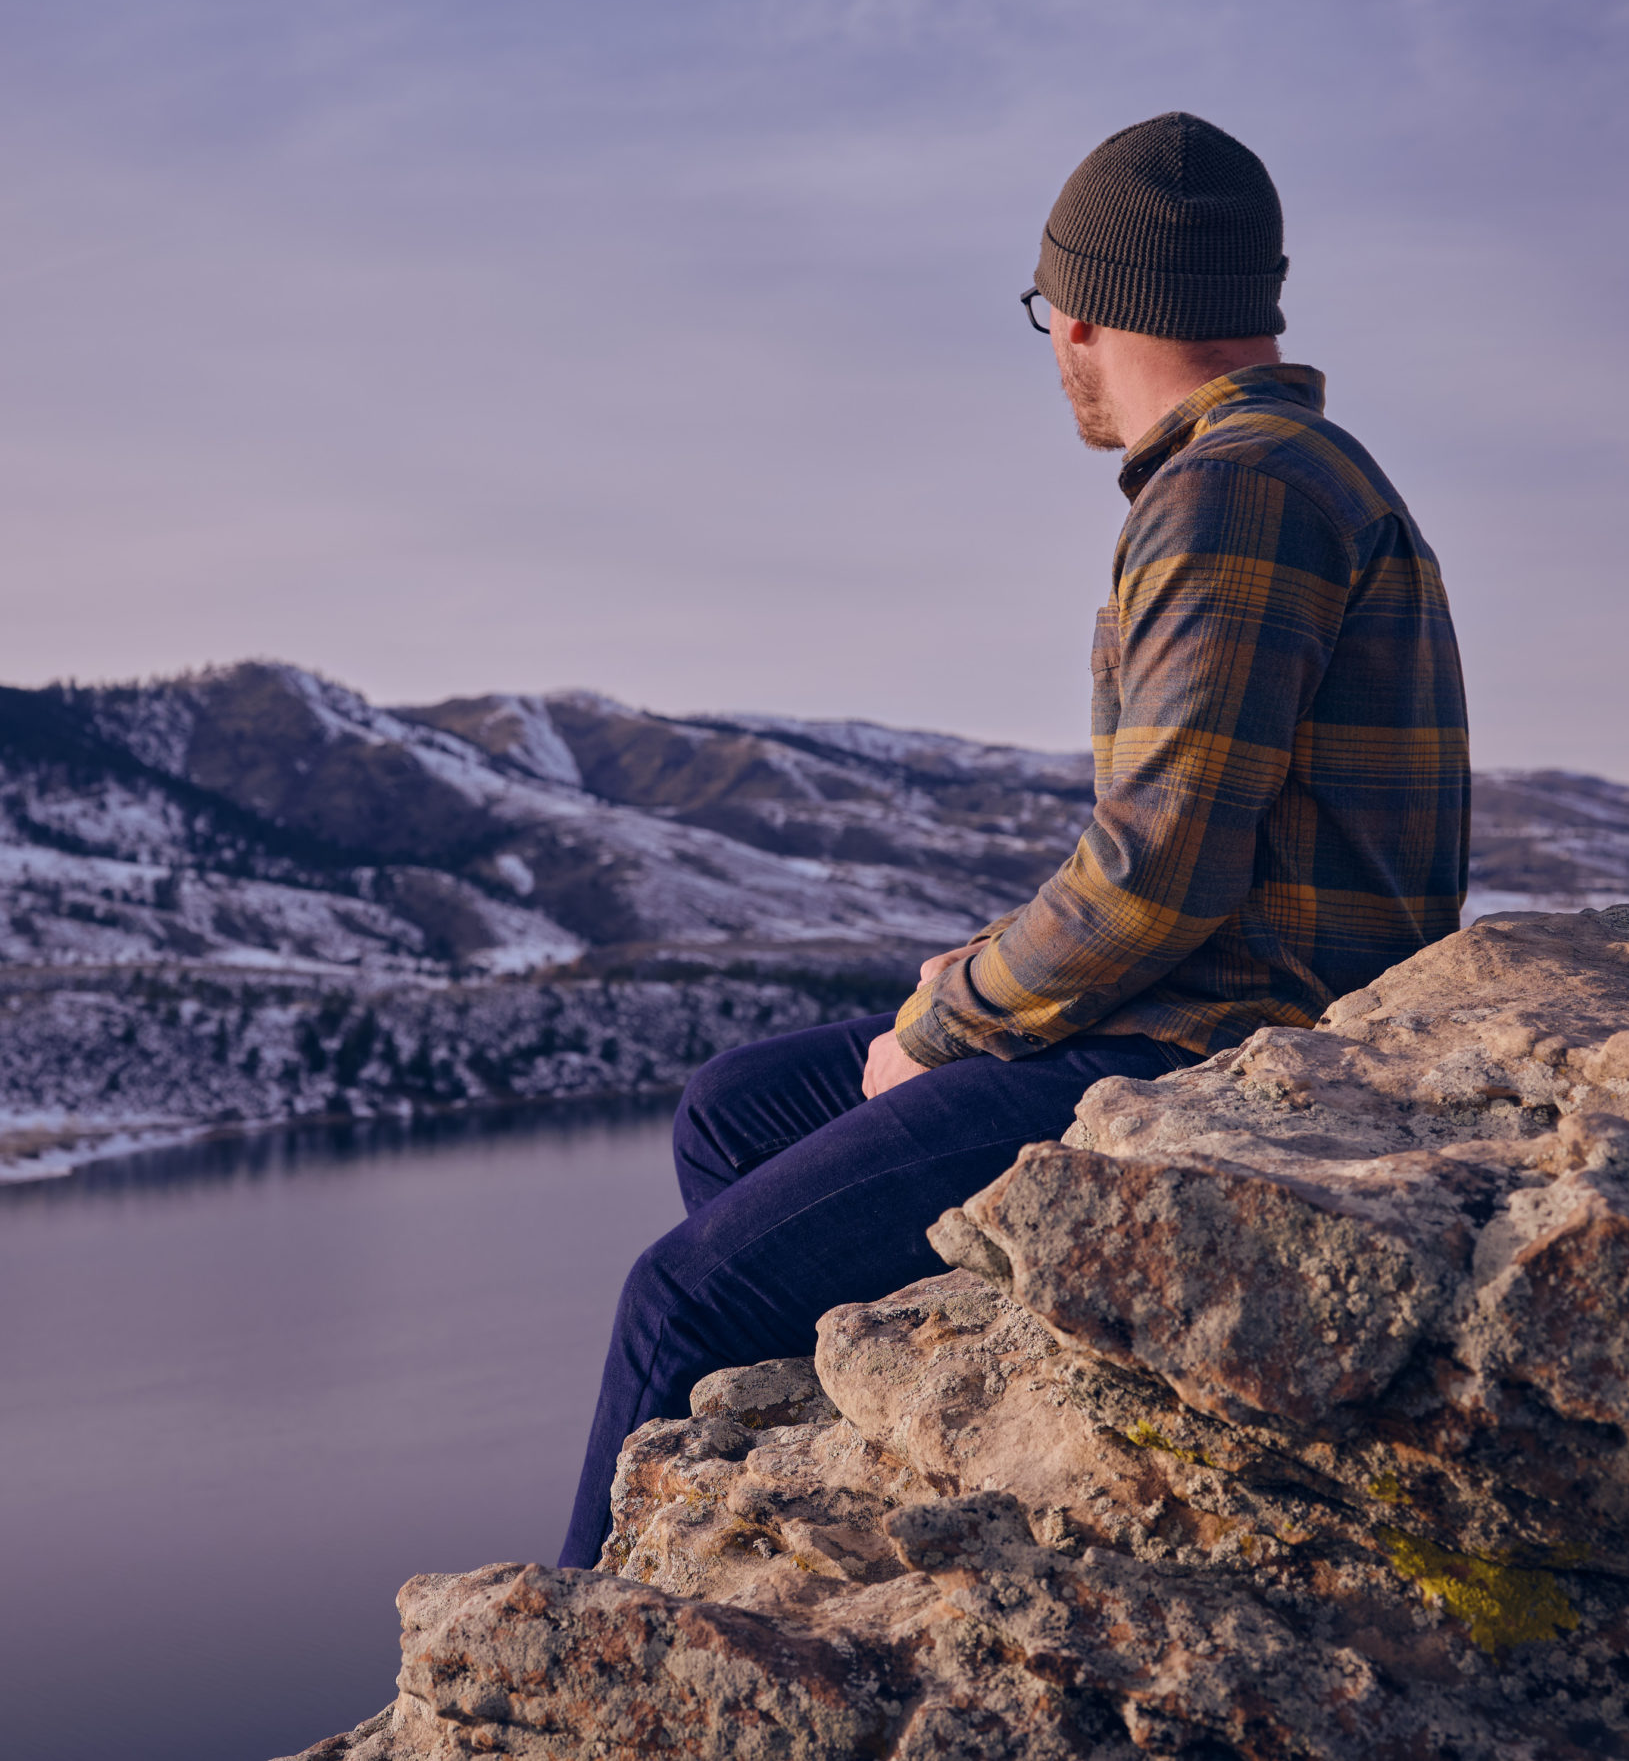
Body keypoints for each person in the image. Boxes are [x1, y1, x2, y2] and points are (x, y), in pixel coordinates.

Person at [557, 111, 1469, 1570]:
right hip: (1210, 1009)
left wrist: (947, 1019)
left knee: (678, 1300)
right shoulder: (1289, 466)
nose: (1053, 347)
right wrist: (977, 975)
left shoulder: (1235, 487)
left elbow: (1161, 870)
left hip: (1212, 1050)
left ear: (1090, 312)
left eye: (1049, 312)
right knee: (734, 1107)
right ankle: (815, 1459)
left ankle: (605, 1625)